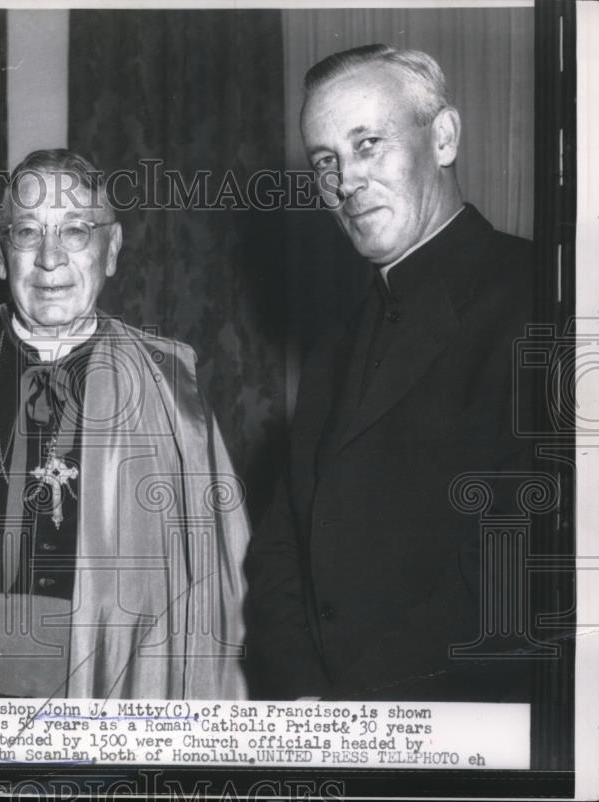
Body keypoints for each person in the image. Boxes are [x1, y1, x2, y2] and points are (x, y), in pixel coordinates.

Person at [0, 149, 250, 699]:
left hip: (119, 702)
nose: (50, 260)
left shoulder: (169, 391)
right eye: (29, 232)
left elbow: (214, 595)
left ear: (112, 250)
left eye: (76, 231)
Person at [245, 45, 535, 701]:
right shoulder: (335, 347)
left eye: (368, 144)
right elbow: (280, 550)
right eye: (327, 162)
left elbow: (528, 562)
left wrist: (361, 702)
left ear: (443, 137)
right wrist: (305, 695)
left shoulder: (545, 297)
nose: (345, 183)